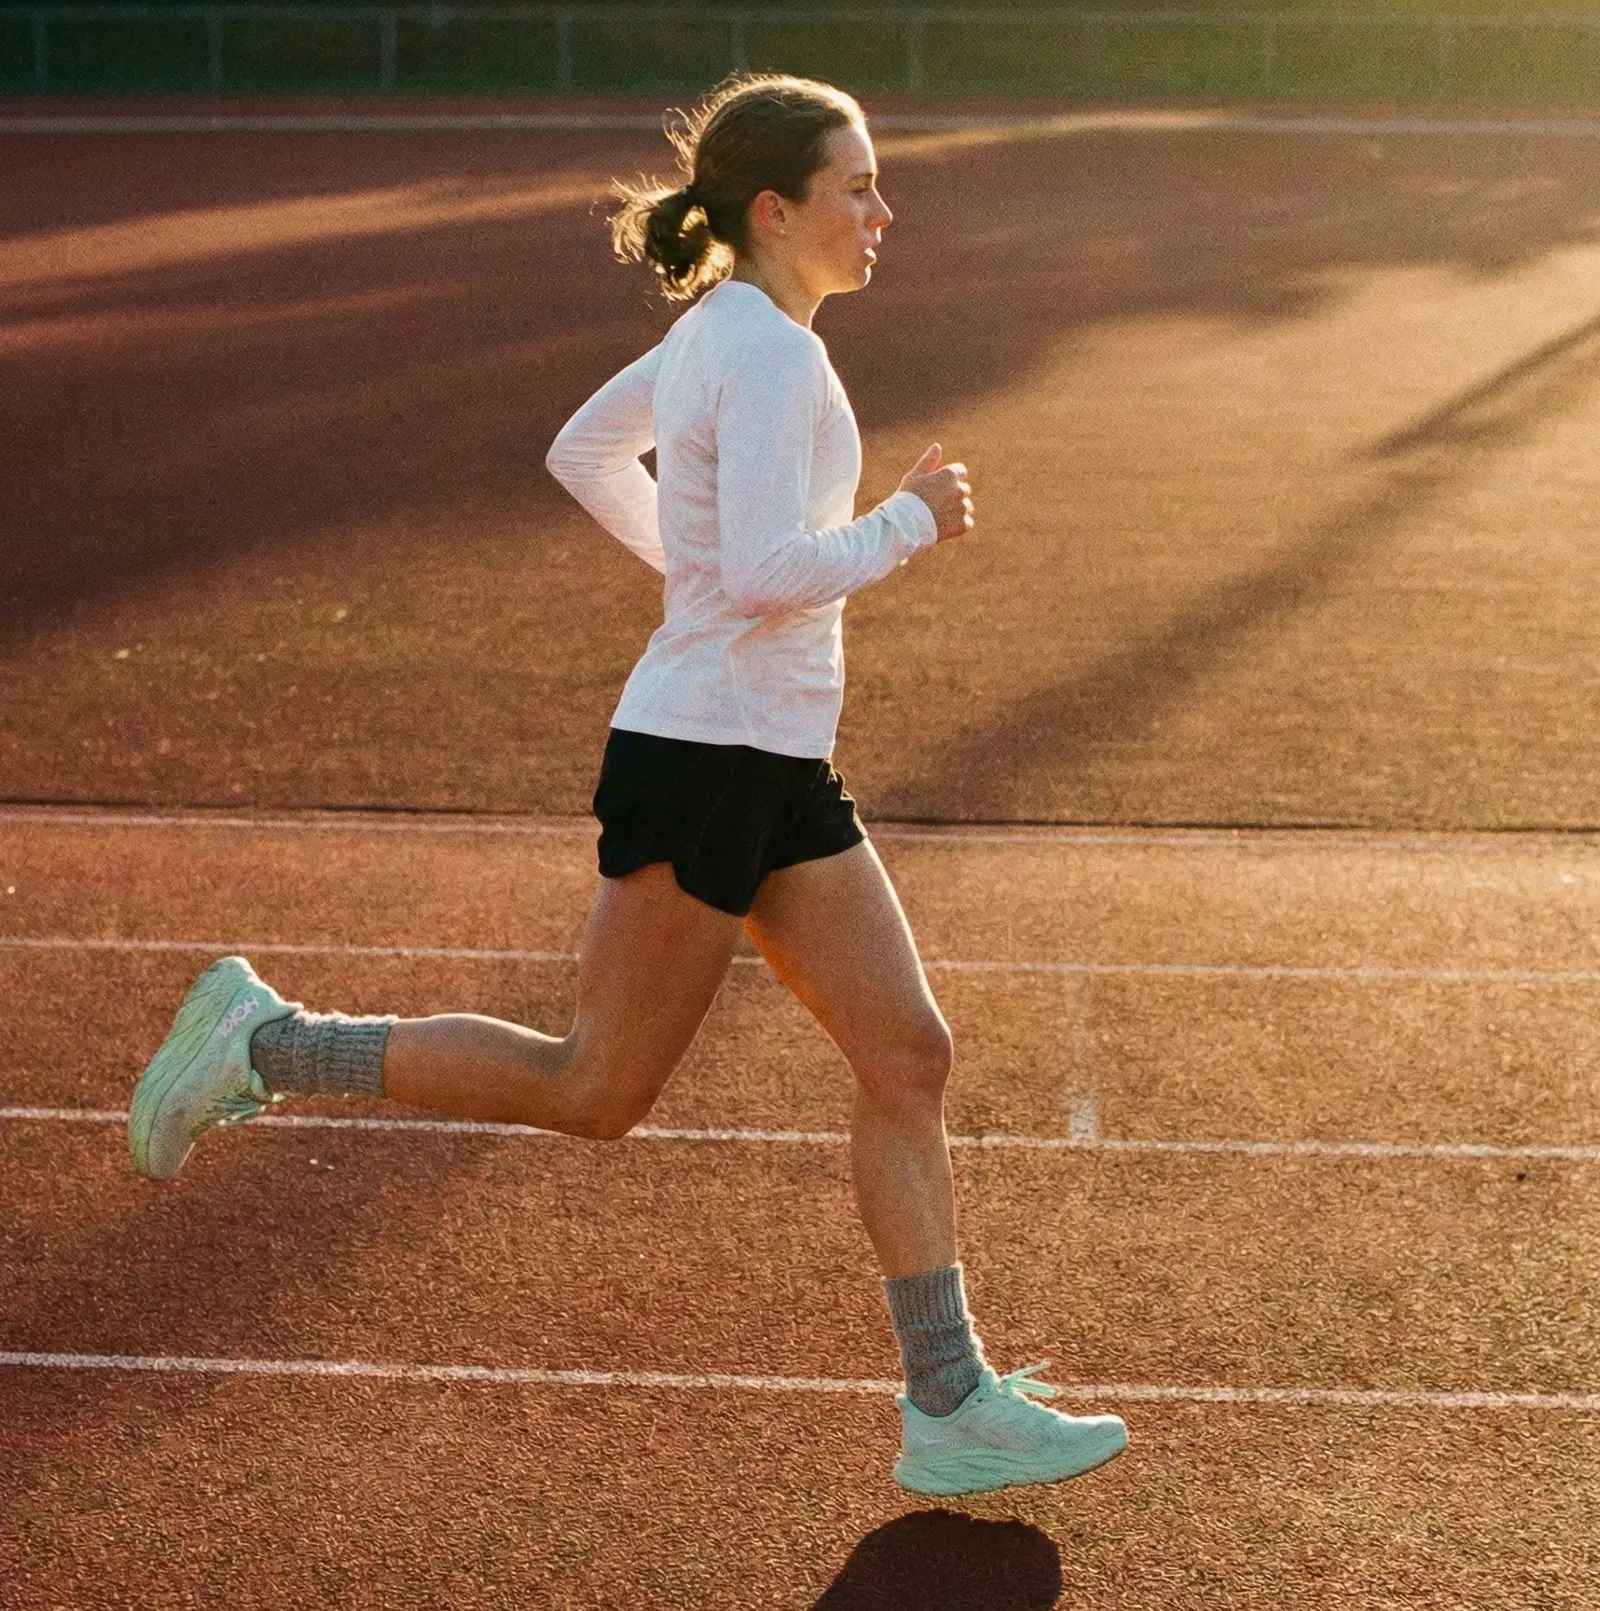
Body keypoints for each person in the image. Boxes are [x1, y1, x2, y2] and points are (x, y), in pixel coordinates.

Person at [127, 73, 1127, 1498]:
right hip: (710, 760)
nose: (882, 210)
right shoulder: (769, 355)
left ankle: (951, 1399)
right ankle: (267, 1043)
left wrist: (700, 574)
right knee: (594, 1085)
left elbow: (586, 454)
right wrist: (905, 521)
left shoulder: (723, 330)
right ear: (774, 209)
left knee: (908, 1053)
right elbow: (776, 567)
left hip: (766, 759)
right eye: (857, 186)